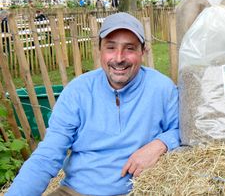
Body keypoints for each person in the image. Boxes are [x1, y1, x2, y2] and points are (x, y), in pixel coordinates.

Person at [6, 12, 180, 195]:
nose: (119, 58)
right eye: (111, 47)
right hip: (75, 191)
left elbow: (186, 132)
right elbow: (47, 156)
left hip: (136, 191)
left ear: (143, 51)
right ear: (100, 51)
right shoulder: (77, 91)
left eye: (129, 48)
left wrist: (161, 143)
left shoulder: (161, 88)